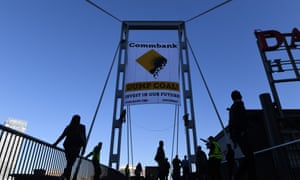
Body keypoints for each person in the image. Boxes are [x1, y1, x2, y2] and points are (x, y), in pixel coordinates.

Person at [228, 90, 257, 180]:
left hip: (238, 135)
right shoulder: (239, 106)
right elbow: (240, 120)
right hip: (242, 134)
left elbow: (231, 123)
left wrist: (234, 138)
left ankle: (240, 176)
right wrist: (243, 131)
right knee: (250, 157)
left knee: (249, 157)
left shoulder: (233, 108)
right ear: (240, 96)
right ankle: (240, 176)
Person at [53, 114, 86, 180]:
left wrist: (55, 144)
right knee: (70, 163)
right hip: (75, 148)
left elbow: (62, 136)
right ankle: (64, 176)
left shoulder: (70, 127)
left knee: (69, 163)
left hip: (69, 147)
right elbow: (84, 138)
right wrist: (83, 149)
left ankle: (64, 176)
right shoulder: (81, 127)